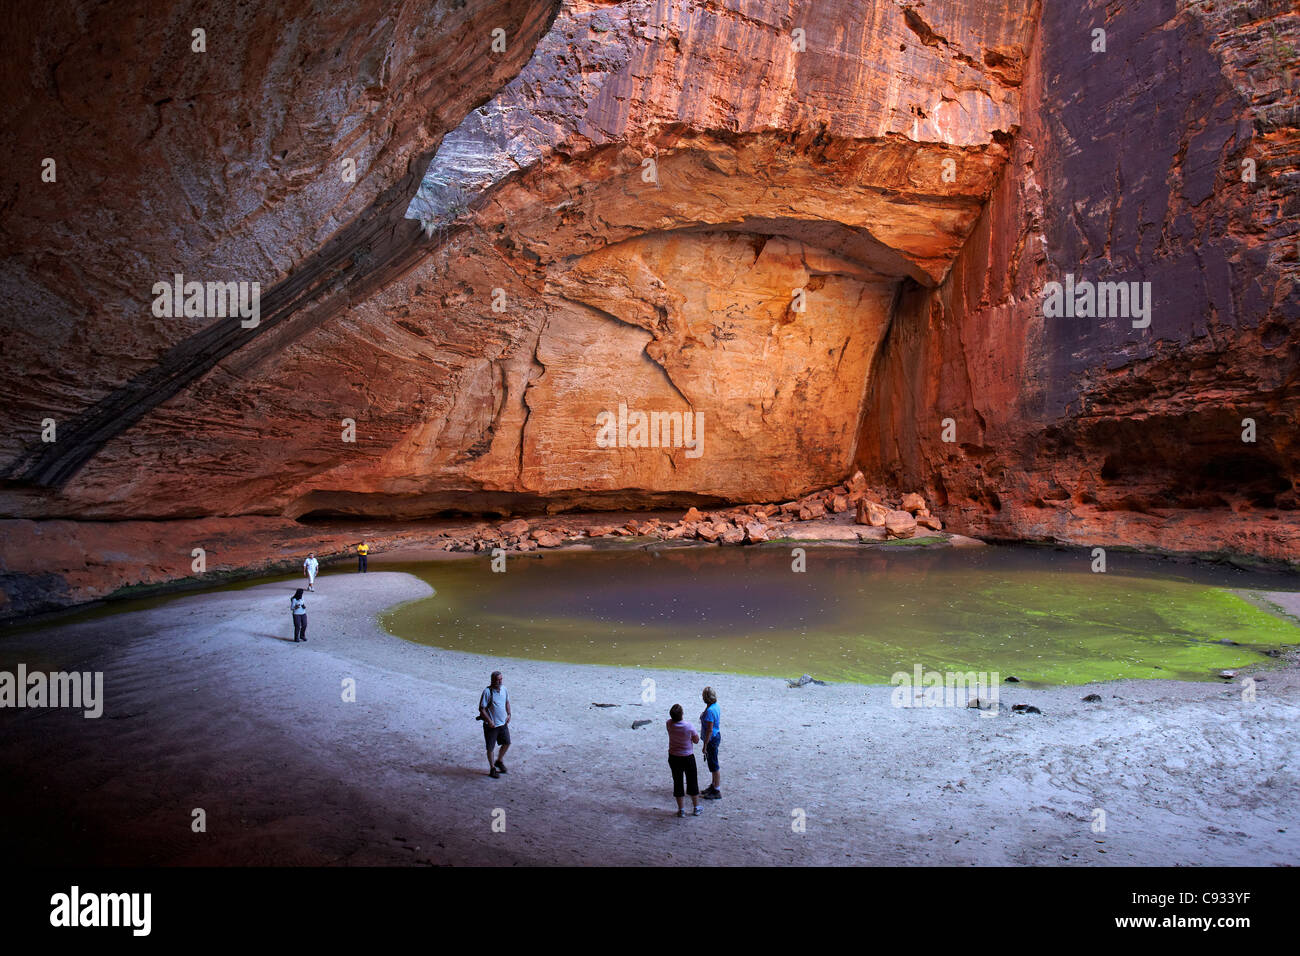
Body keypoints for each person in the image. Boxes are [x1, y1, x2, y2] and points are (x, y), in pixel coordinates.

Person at [666, 703, 701, 817]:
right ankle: (696, 807)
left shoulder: (669, 724)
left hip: (674, 756)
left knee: (678, 781)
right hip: (687, 756)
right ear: (682, 714)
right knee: (692, 781)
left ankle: (681, 810)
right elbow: (696, 740)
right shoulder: (688, 726)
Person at [479, 670, 511, 778]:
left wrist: (509, 714)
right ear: (492, 680)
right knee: (490, 748)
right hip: (491, 726)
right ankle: (492, 768)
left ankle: (499, 760)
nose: (500, 681)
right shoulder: (487, 692)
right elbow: (482, 709)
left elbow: (507, 702)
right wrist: (489, 721)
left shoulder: (504, 689)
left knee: (507, 743)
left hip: (502, 723)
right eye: (498, 680)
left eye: (501, 679)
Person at [700, 686, 722, 800]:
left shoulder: (709, 711)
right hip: (715, 736)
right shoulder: (715, 706)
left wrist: (705, 745)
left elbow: (709, 729)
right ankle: (713, 786)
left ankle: (717, 789)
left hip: (711, 739)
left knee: (714, 765)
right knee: (713, 763)